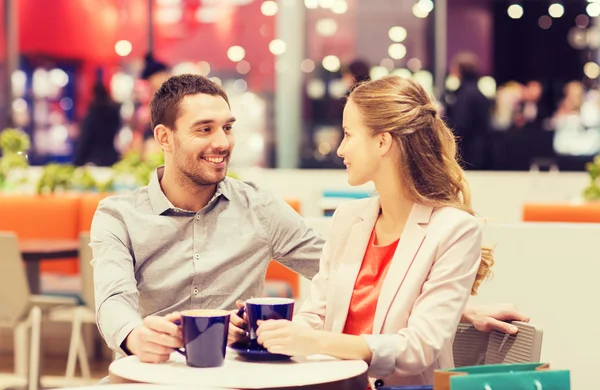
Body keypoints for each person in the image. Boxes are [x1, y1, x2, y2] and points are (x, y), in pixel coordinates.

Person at [91, 74, 529, 367]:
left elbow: (353, 272)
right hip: (155, 372)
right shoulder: (118, 216)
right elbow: (113, 300)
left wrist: (456, 305)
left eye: (228, 127)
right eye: (204, 129)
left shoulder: (257, 206)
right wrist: (132, 335)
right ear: (163, 138)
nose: (223, 142)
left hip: (239, 376)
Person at [253, 76, 498, 387]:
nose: (340, 149)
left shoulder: (454, 230)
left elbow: (419, 348)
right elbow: (316, 314)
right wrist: (277, 335)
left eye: (348, 135)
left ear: (382, 142)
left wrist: (315, 342)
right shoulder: (348, 219)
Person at [443, 52, 490, 169]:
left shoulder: (464, 94)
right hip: (480, 150)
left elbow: (460, 125)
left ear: (459, 70)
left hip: (468, 153)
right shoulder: (478, 92)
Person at [74, 81, 121, 166]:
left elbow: (86, 140)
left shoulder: (92, 115)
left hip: (94, 160)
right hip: (111, 157)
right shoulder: (114, 112)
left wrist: (77, 162)